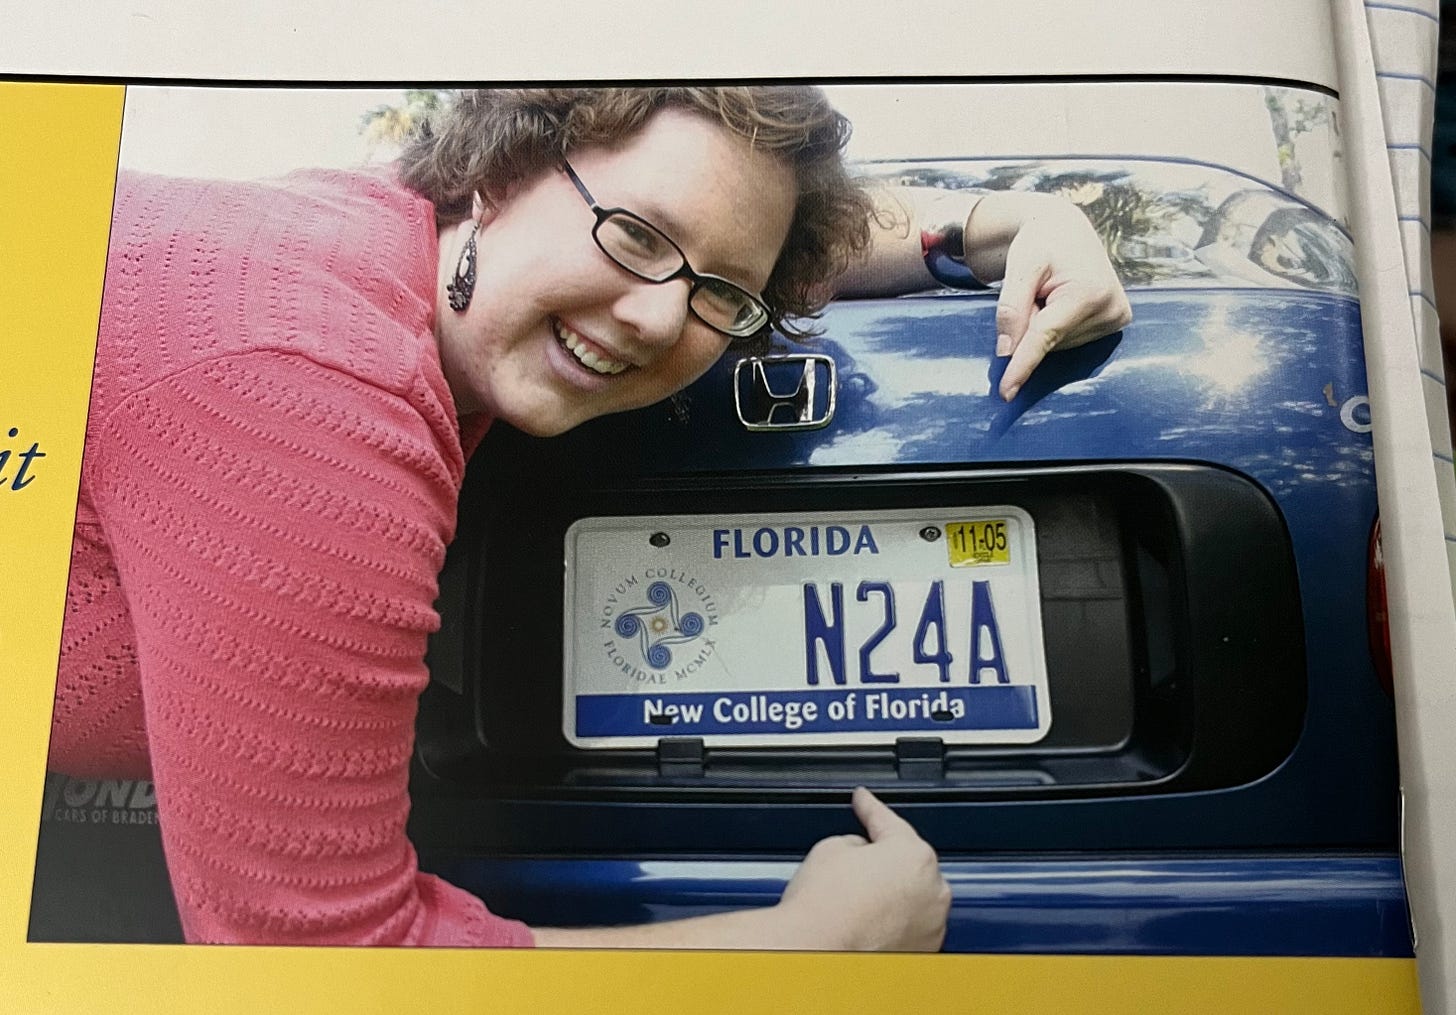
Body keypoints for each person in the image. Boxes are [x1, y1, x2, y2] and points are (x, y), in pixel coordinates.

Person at [45, 86, 1129, 950]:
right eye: (635, 237)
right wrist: (813, 946)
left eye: (721, 295)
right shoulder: (310, 389)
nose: (662, 317)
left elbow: (730, 235)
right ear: (499, 175)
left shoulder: (401, 237)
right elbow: (316, 967)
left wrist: (1013, 222)